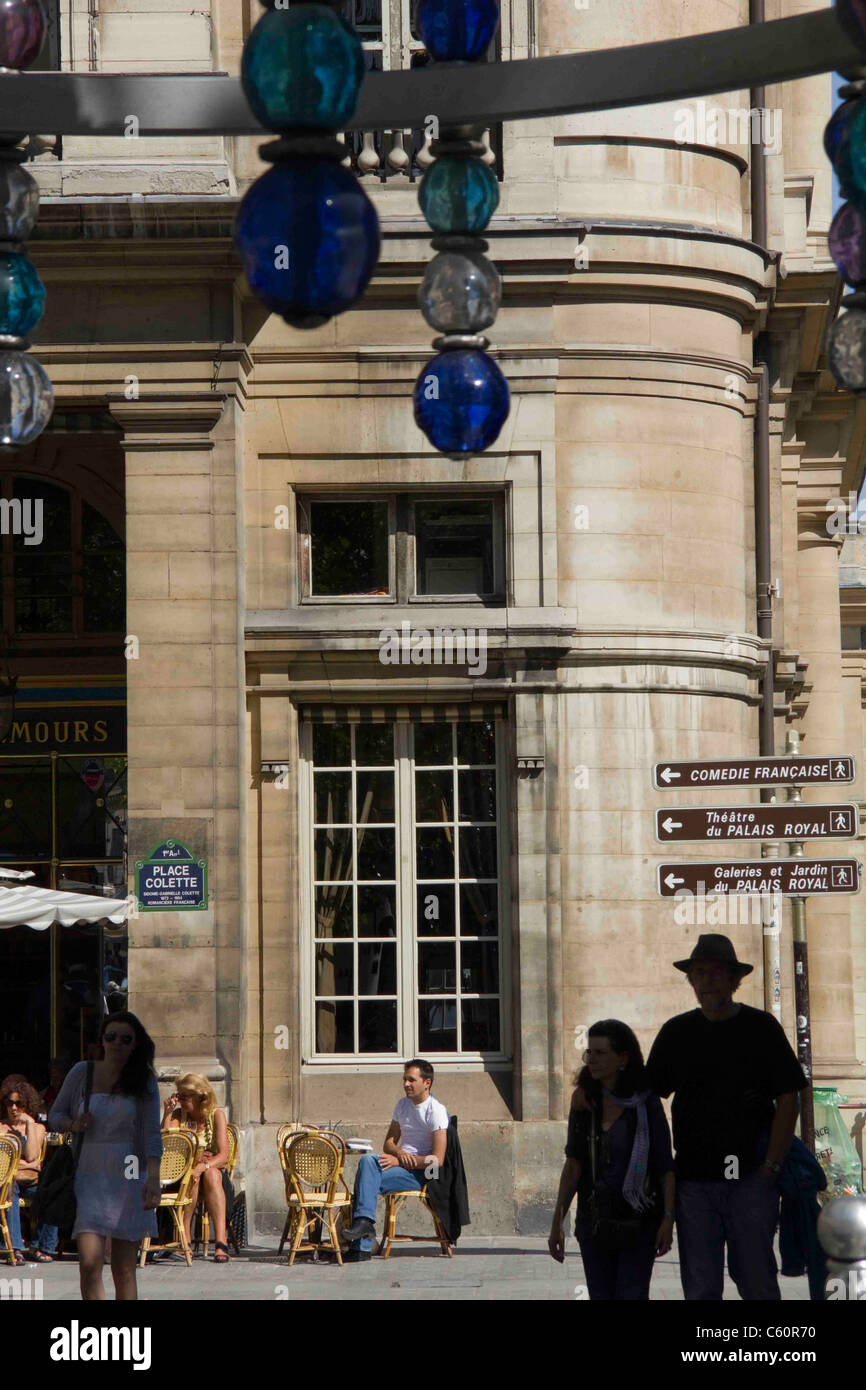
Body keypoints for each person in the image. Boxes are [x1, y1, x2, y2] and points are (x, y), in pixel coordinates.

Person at [644, 933, 807, 1301]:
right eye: (700, 973)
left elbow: (789, 1098)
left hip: (750, 1178)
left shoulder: (760, 1028)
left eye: (718, 973)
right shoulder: (677, 1032)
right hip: (694, 1180)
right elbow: (648, 1095)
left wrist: (771, 1167)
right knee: (700, 1287)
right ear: (691, 982)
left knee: (756, 1281)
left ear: (735, 980)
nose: (708, 980)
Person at [548, 1020, 675, 1299]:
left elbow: (665, 1165)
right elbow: (573, 1164)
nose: (592, 1059)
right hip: (595, 1222)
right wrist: (558, 1220)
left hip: (639, 1222)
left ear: (623, 1058)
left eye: (601, 1053)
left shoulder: (646, 1102)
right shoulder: (583, 1102)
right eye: (589, 1053)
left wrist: (668, 1218)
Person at [48, 1011, 162, 1300]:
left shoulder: (144, 1080)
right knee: (88, 1264)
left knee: (124, 1268)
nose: (117, 1044)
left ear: (136, 1044)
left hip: (130, 1169)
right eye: (111, 1037)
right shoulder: (82, 1073)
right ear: (102, 1041)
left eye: (126, 1039)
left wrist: (153, 1177)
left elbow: (151, 1132)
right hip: (89, 1170)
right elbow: (55, 1115)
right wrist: (73, 1124)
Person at [341, 1058, 449, 1260]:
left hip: (422, 1173)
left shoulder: (436, 1111)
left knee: (365, 1180)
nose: (406, 1084)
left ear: (427, 1083)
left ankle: (362, 1245)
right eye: (404, 1080)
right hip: (400, 1167)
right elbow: (389, 1143)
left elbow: (438, 1160)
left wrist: (400, 1161)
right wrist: (399, 1154)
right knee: (367, 1163)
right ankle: (364, 1227)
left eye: (411, 1080)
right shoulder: (402, 1105)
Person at [161, 1073, 233, 1263]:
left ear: (200, 1097)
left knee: (210, 1174)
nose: (180, 1100)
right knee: (193, 1174)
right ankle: (185, 1238)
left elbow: (224, 1156)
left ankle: (220, 1240)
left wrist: (204, 1165)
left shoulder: (216, 1115)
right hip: (183, 1176)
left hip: (212, 1173)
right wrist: (167, 1112)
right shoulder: (178, 1115)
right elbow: (165, 1143)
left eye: (184, 1096)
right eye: (178, 1095)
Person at [0, 1080, 50, 1264]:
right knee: (10, 1191)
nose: (13, 1108)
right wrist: (28, 1165)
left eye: (18, 1104)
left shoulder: (37, 1128)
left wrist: (28, 1123)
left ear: (27, 1105)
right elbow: (6, 1165)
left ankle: (42, 1246)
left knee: (51, 1193)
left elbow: (30, 1155)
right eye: (9, 1103)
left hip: (30, 1181)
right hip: (8, 1181)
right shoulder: (1, 1127)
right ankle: (15, 1249)